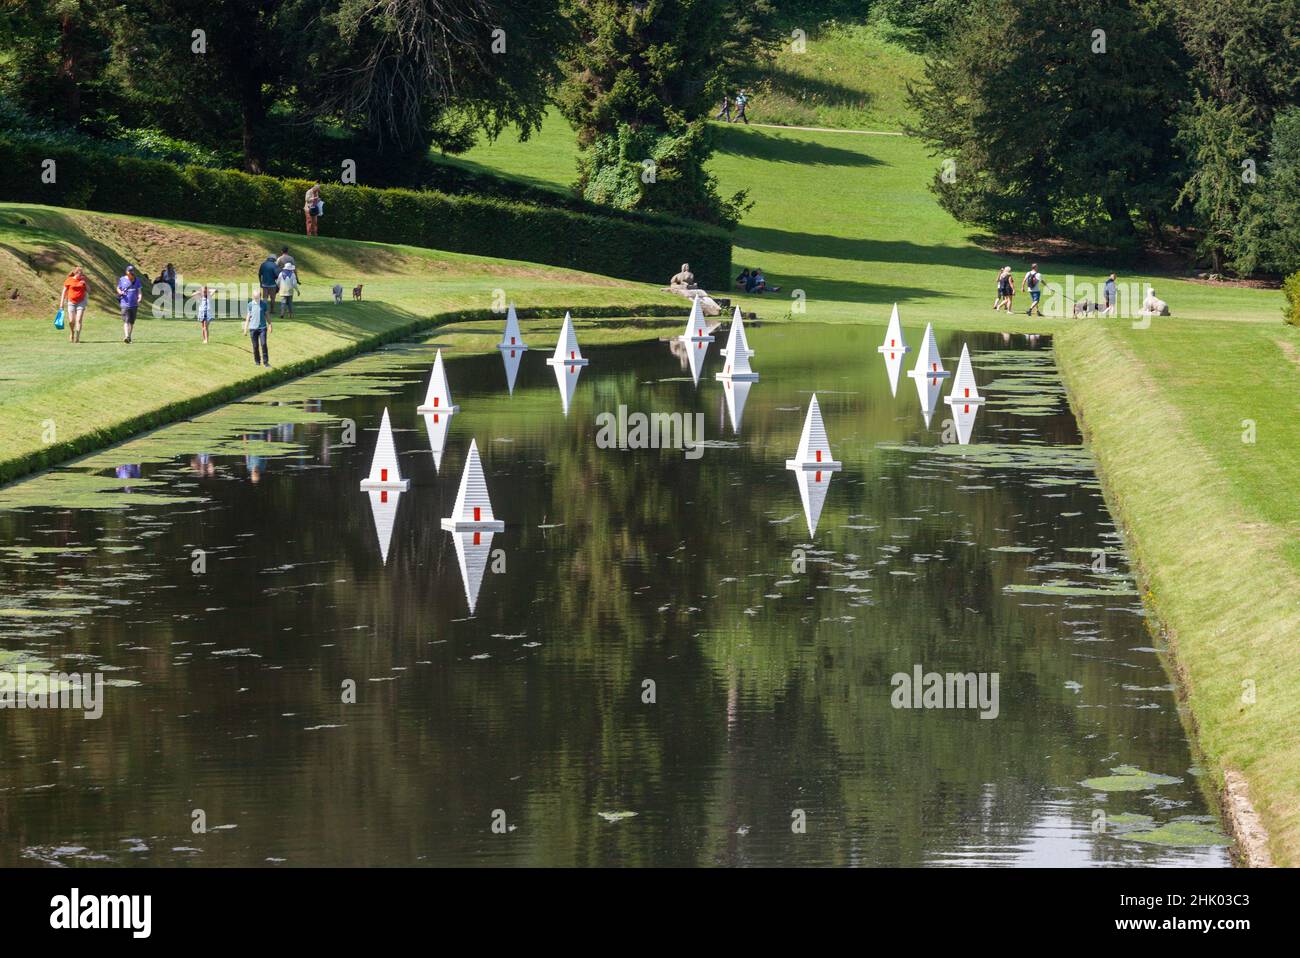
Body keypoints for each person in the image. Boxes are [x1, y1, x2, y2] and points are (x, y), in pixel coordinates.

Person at [59, 267, 89, 343]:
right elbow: (64, 292)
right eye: (80, 274)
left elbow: (89, 290)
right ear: (76, 273)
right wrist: (61, 303)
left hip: (81, 302)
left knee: (79, 320)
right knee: (71, 320)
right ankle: (72, 332)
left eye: (82, 274)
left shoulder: (83, 280)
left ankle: (77, 337)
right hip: (71, 302)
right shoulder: (69, 280)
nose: (81, 275)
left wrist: (85, 284)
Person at [117, 264, 143, 343]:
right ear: (126, 272)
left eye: (132, 271)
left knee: (131, 322)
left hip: (134, 304)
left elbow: (139, 291)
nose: (131, 272)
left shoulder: (137, 280)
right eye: (129, 271)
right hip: (124, 303)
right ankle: (126, 336)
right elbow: (118, 288)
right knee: (126, 321)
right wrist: (120, 292)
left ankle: (129, 336)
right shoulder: (122, 279)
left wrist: (139, 297)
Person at [245, 289, 271, 366]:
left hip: (262, 328)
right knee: (255, 346)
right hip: (253, 329)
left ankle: (266, 362)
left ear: (260, 296)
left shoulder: (264, 304)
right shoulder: (250, 305)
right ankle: (257, 361)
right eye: (255, 297)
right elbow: (248, 317)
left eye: (257, 297)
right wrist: (245, 329)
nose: (256, 299)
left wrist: (270, 324)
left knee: (263, 344)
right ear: (253, 297)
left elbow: (267, 315)